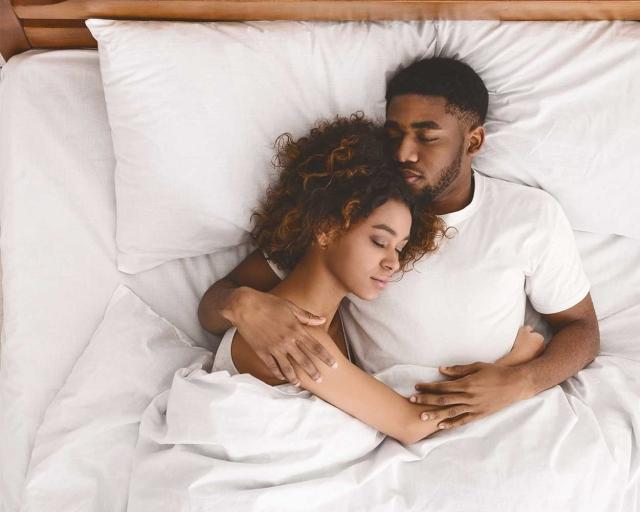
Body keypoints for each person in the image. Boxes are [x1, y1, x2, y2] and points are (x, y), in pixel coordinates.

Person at [199, 57, 599, 432]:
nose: (405, 153)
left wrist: (521, 380)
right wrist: (244, 304)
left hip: (491, 414)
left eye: (427, 137)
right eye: (395, 135)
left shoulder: (528, 214)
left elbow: (582, 329)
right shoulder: (354, 212)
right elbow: (219, 300)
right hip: (386, 416)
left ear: (473, 141)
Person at [209, 114, 545, 444]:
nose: (393, 263)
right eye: (379, 242)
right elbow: (412, 425)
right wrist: (512, 364)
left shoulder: (332, 320)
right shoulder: (299, 337)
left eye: (399, 247)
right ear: (326, 229)